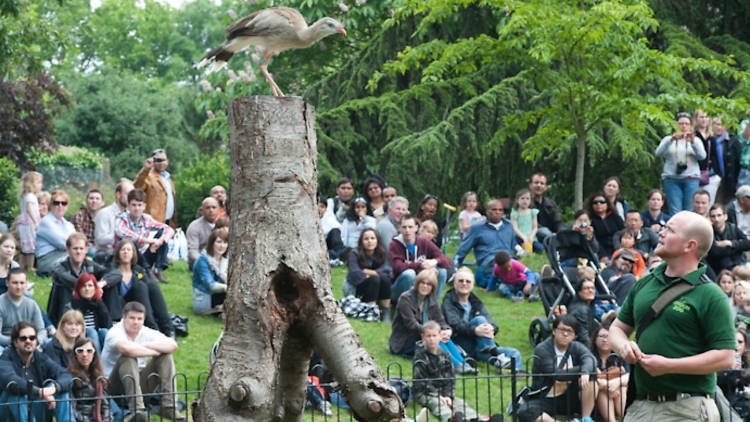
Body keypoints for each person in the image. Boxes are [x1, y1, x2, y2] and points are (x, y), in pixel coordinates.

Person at [609, 210, 736, 422]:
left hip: (687, 408)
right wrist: (623, 346)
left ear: (690, 246)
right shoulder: (644, 283)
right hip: (640, 406)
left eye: (670, 230)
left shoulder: (710, 294)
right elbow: (616, 329)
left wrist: (669, 365)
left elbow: (726, 357)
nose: (661, 233)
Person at [101, 301, 183, 420]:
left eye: (140, 319)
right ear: (124, 317)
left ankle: (169, 407)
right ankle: (137, 411)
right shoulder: (115, 332)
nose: (136, 322)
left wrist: (145, 345)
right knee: (128, 357)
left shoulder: (145, 332)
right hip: (113, 387)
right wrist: (154, 352)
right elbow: (127, 349)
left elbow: (173, 344)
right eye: (132, 318)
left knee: (166, 356)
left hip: (139, 385)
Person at [389, 269, 475, 374]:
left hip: (424, 337)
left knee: (444, 339)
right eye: (422, 283)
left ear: (432, 287)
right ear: (417, 283)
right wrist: (433, 333)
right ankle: (455, 365)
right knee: (435, 338)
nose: (425, 286)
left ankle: (464, 364)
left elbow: (441, 321)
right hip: (406, 341)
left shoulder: (431, 300)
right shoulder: (406, 298)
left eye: (429, 284)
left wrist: (447, 330)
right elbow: (411, 324)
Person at [517, 314, 598, 422]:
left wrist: (585, 372)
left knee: (591, 376)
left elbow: (590, 358)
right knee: (525, 412)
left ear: (574, 335)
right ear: (554, 331)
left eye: (569, 331)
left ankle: (586, 418)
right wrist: (582, 370)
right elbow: (556, 374)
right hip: (546, 397)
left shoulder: (576, 347)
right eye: (562, 330)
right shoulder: (542, 349)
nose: (565, 334)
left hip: (570, 397)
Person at [441, 267, 522, 371]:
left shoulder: (475, 301)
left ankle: (515, 374)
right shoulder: (448, 301)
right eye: (461, 281)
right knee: (479, 320)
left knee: (514, 353)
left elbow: (492, 322)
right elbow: (455, 323)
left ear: (472, 285)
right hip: (462, 344)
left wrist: (491, 329)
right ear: (455, 284)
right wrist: (475, 330)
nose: (464, 283)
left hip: (481, 346)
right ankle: (497, 356)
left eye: (468, 281)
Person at [0, 321, 73, 422]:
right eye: (23, 338)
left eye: (32, 338)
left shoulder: (40, 358)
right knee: (15, 392)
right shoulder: (6, 358)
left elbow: (66, 375)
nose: (28, 341)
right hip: (10, 412)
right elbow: (10, 380)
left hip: (36, 408)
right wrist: (40, 392)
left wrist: (53, 389)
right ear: (15, 342)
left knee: (59, 389)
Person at [412, 320, 482, 422]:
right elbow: (421, 382)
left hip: (443, 392)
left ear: (440, 336)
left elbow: (450, 379)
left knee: (459, 403)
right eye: (428, 336)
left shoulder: (446, 355)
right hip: (425, 393)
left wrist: (448, 396)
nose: (431, 339)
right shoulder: (420, 356)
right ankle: (451, 419)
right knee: (437, 404)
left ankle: (475, 418)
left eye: (434, 336)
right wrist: (438, 396)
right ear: (423, 337)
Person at [101, 239, 173, 336]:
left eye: (129, 250)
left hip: (138, 303)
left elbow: (148, 292)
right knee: (140, 286)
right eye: (123, 250)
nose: (126, 252)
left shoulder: (138, 271)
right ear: (118, 253)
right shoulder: (111, 270)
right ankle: (153, 329)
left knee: (152, 286)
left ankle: (168, 329)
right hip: (119, 306)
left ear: (133, 253)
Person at [388, 214, 452, 304]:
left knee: (442, 271)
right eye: (404, 227)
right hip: (397, 288)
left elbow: (447, 261)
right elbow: (398, 267)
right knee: (409, 274)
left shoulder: (423, 242)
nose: (407, 230)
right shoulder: (394, 244)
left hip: (418, 285)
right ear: (399, 228)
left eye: (410, 227)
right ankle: (406, 306)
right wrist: (422, 266)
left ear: (416, 228)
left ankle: (432, 306)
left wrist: (434, 261)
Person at [454, 199, 517, 288]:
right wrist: (454, 270)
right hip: (488, 264)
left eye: (500, 210)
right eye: (494, 210)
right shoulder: (476, 228)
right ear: (487, 211)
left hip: (509, 262)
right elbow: (462, 250)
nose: (497, 212)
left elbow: (511, 247)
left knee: (525, 274)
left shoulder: (509, 226)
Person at [115, 188, 174, 283]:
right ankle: (146, 271)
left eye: (139, 205)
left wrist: (159, 241)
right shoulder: (122, 218)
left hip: (143, 255)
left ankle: (158, 270)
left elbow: (168, 229)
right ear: (128, 205)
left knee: (162, 236)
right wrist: (147, 240)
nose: (137, 208)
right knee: (130, 242)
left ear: (144, 206)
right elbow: (120, 231)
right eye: (134, 205)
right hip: (128, 257)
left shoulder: (147, 219)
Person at [48, 232, 108, 326]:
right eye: (75, 248)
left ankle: (108, 323)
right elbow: (65, 278)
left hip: (87, 307)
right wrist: (92, 286)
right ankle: (64, 325)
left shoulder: (90, 265)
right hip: (64, 306)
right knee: (63, 287)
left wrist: (102, 283)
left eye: (81, 248)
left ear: (86, 250)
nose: (78, 252)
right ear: (68, 249)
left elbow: (113, 274)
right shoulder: (59, 266)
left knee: (109, 286)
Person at [655, 112, 707, 214]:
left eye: (686, 124)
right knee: (675, 210)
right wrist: (671, 140)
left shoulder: (696, 140)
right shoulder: (668, 139)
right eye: (681, 123)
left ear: (691, 126)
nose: (683, 126)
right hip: (672, 178)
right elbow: (658, 153)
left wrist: (693, 143)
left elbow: (702, 156)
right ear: (676, 125)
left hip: (691, 178)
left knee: (690, 210)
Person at [344, 228, 392, 321]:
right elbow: (354, 272)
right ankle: (371, 310)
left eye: (372, 238)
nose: (369, 241)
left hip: (378, 285)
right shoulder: (354, 253)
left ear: (377, 240)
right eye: (366, 239)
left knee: (384, 279)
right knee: (375, 279)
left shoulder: (382, 252)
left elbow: (388, 270)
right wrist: (372, 276)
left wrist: (371, 272)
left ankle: (386, 312)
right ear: (361, 241)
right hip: (357, 287)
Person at [67, 337, 116, 422]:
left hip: (99, 418)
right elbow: (72, 408)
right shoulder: (70, 376)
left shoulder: (99, 376)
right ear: (75, 354)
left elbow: (106, 404)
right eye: (80, 351)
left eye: (89, 351)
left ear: (94, 354)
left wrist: (107, 419)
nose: (85, 354)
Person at [589, 325, 629, 422]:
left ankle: (626, 417)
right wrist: (607, 386)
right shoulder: (589, 358)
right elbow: (591, 379)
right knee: (603, 389)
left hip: (617, 392)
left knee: (622, 387)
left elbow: (629, 376)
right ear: (595, 339)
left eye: (608, 337)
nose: (605, 340)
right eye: (602, 336)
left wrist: (615, 384)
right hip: (596, 396)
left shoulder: (620, 356)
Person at [0, 269, 48, 347]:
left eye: (22, 283)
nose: (18, 287)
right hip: (6, 345)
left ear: (26, 284)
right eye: (15, 283)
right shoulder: (1, 304)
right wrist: (18, 341)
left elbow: (42, 330)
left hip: (30, 343)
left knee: (50, 344)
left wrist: (36, 341)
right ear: (7, 283)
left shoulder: (31, 304)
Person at [35, 189, 76, 277]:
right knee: (75, 260)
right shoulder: (45, 222)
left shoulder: (68, 224)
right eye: (56, 203)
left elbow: (76, 241)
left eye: (63, 203)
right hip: (47, 259)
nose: (60, 206)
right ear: (51, 205)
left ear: (67, 206)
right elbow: (62, 243)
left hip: (65, 255)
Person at [133, 148, 177, 228]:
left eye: (163, 160)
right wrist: (146, 169)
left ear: (167, 161)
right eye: (157, 160)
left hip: (168, 222)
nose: (160, 163)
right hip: (153, 222)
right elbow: (137, 189)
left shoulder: (168, 179)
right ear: (153, 161)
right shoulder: (148, 176)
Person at [70, 272, 112, 352]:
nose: (87, 289)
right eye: (83, 286)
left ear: (95, 288)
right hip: (79, 336)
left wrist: (99, 303)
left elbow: (107, 324)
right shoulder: (73, 304)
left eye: (90, 285)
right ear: (78, 288)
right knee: (91, 331)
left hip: (96, 335)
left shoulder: (98, 304)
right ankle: (96, 361)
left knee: (104, 332)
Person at [192, 227, 228, 316]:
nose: (221, 246)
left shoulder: (225, 259)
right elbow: (211, 286)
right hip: (205, 299)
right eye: (219, 242)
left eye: (225, 242)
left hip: (218, 295)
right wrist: (230, 288)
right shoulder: (203, 260)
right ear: (212, 243)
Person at [94, 178, 135, 257]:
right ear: (118, 194)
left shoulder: (130, 214)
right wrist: (120, 235)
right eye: (128, 195)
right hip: (108, 255)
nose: (132, 198)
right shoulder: (104, 213)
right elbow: (100, 240)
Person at [707, 203, 750, 274]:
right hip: (720, 269)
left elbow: (747, 244)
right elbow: (715, 252)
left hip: (739, 265)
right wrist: (738, 247)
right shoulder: (709, 232)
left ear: (725, 216)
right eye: (713, 216)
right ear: (710, 218)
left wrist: (730, 243)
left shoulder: (733, 228)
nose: (716, 219)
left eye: (719, 215)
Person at [709, 116, 741, 204]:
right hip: (713, 179)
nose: (719, 127)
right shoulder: (709, 140)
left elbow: (738, 163)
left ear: (726, 126)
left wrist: (737, 182)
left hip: (730, 181)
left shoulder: (733, 141)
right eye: (717, 124)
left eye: (722, 125)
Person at [16, 171, 43, 271]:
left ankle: (22, 266)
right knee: (31, 246)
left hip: (24, 224)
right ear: (31, 184)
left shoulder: (26, 196)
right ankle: (30, 266)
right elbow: (29, 208)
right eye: (39, 182)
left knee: (24, 247)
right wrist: (35, 221)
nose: (41, 185)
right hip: (29, 224)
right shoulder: (31, 196)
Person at [586, 192, 624, 261]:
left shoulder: (615, 217)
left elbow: (623, 233)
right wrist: (602, 255)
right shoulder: (589, 220)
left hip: (618, 250)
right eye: (595, 202)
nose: (598, 204)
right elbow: (594, 239)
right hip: (600, 253)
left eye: (602, 202)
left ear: (607, 204)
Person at [186, 197, 220, 269]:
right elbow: (193, 251)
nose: (211, 210)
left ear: (219, 210)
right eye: (207, 208)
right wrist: (205, 262)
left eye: (214, 207)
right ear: (202, 210)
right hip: (199, 262)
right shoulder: (194, 226)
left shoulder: (222, 225)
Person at [530, 173, 565, 242]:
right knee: (544, 231)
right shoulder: (526, 203)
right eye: (536, 183)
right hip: (534, 233)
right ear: (531, 185)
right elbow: (531, 223)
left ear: (545, 187)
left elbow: (557, 221)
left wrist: (561, 231)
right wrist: (551, 234)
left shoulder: (550, 203)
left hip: (551, 234)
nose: (539, 185)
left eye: (542, 183)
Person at [567, 278, 600, 346]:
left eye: (592, 288)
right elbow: (583, 337)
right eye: (586, 288)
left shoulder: (587, 306)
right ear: (579, 292)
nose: (590, 290)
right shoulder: (581, 310)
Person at [511, 188, 542, 254]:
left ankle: (529, 251)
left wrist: (531, 237)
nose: (525, 201)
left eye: (527, 198)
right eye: (522, 198)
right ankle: (519, 250)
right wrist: (523, 237)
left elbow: (535, 227)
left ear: (530, 200)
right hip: (519, 237)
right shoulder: (515, 213)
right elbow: (515, 228)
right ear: (517, 200)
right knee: (513, 241)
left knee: (541, 248)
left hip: (530, 238)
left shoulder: (532, 212)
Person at [318, 195, 345, 263]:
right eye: (317, 206)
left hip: (327, 245)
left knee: (335, 231)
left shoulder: (329, 219)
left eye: (322, 207)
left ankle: (339, 255)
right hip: (316, 246)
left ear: (326, 209)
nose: (319, 209)